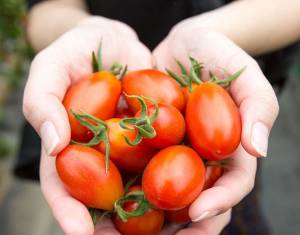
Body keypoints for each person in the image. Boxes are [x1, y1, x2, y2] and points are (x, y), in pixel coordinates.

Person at [20, 0, 300, 234]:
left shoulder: (138, 123)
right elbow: (46, 9)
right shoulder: (124, 128)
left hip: (214, 173)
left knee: (229, 209)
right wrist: (82, 30)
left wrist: (215, 31)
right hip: (190, 159)